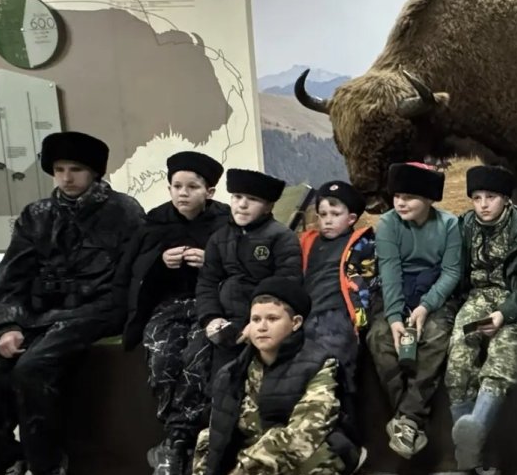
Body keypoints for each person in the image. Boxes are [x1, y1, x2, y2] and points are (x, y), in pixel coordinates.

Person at [0, 131, 145, 475]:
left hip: (94, 311)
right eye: (59, 169)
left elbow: (133, 276)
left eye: (75, 169)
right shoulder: (36, 215)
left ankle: (47, 472)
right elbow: (11, 277)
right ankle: (5, 466)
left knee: (33, 369)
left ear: (94, 172)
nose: (66, 177)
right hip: (35, 315)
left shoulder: (124, 212)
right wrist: (8, 326)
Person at [189, 278, 365, 475]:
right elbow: (215, 435)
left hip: (299, 459)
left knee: (319, 457)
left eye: (272, 318)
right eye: (255, 319)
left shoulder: (320, 364)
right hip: (259, 470)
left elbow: (304, 433)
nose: (261, 327)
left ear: (295, 323)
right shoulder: (233, 372)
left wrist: (243, 470)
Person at [123, 150, 230, 475]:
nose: (183, 193)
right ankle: (176, 439)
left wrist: (211, 261)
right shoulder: (155, 222)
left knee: (197, 357)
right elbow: (134, 271)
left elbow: (239, 268)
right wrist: (159, 262)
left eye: (192, 187)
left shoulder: (225, 222)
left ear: (209, 191)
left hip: (210, 304)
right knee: (162, 358)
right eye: (176, 186)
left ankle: (176, 442)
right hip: (168, 305)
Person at [364, 162, 461, 458]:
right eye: (397, 196)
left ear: (428, 199)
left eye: (409, 197)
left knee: (435, 336)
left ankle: (407, 419)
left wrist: (426, 306)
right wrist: (394, 317)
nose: (400, 203)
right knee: (380, 338)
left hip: (435, 292)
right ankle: (410, 420)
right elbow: (390, 271)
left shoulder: (449, 224)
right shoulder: (388, 224)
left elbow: (451, 272)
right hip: (396, 292)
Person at [446, 165, 517, 474]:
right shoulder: (464, 226)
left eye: (491, 197)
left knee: (502, 356)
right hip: (476, 300)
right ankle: (468, 448)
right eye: (477, 198)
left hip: (511, 303)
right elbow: (456, 273)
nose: (483, 204)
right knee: (459, 355)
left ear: (507, 199)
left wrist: (503, 314)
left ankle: (476, 432)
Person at [195, 167, 302, 377]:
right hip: (225, 325)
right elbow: (207, 282)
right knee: (220, 380)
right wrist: (211, 318)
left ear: (268, 206)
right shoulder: (218, 238)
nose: (242, 205)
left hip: (264, 326)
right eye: (237, 197)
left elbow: (287, 285)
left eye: (252, 199)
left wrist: (256, 323)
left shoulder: (282, 237)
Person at [298, 179, 376, 376]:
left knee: (327, 358)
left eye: (335, 214)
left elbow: (368, 281)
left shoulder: (361, 244)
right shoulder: (306, 242)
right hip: (305, 311)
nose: (328, 220)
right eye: (323, 214)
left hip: (339, 313)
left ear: (351, 219)